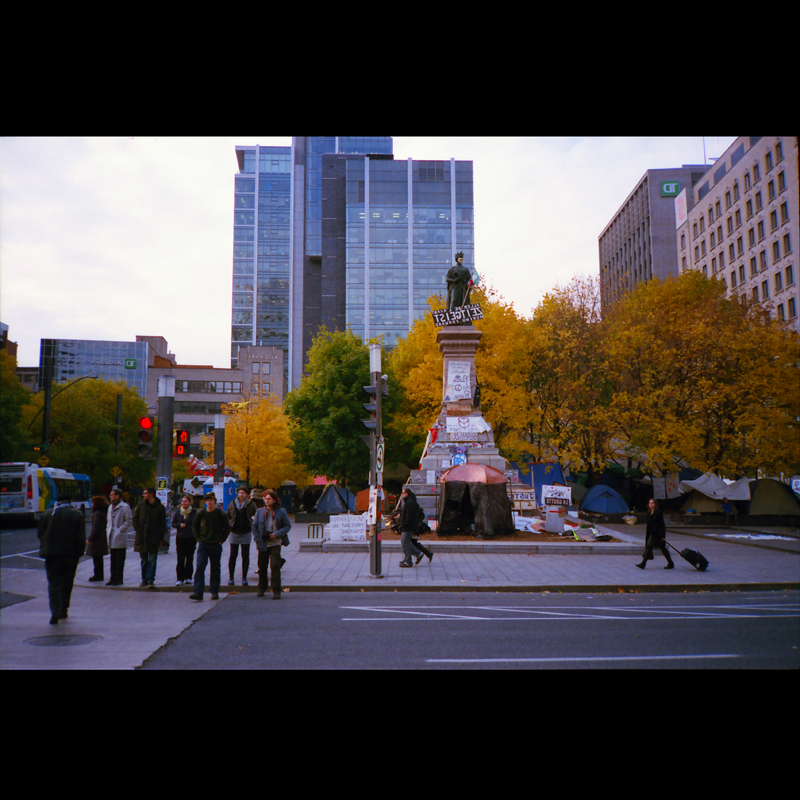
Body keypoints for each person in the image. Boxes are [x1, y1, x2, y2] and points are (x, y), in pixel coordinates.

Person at [38, 494, 86, 624]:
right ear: (70, 501)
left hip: (51, 553)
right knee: (67, 580)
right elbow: (81, 536)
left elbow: (40, 533)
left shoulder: (47, 514)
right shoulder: (76, 514)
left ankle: (55, 610)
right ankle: (64, 607)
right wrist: (80, 552)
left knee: (54, 582)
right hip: (70, 554)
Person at [251, 489, 291, 599]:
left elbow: (287, 526)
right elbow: (254, 526)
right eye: (265, 499)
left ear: (274, 500)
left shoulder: (281, 512)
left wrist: (277, 534)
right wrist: (258, 538)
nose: (267, 501)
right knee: (262, 567)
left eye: (269, 499)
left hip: (275, 543)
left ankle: (276, 589)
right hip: (263, 543)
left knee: (275, 566)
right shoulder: (259, 512)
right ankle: (262, 587)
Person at [190, 493, 231, 601]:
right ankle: (198, 591)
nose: (209, 502)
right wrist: (198, 539)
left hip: (215, 544)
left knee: (215, 568)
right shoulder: (201, 513)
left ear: (215, 501)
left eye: (211, 500)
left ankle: (214, 591)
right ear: (205, 502)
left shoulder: (220, 513)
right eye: (207, 500)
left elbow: (227, 528)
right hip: (203, 543)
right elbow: (195, 526)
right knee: (200, 566)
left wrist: (221, 541)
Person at [132, 487, 167, 588]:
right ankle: (144, 580)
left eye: (145, 493)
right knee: (144, 560)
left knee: (152, 559)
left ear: (151, 494)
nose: (143, 495)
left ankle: (151, 580)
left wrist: (160, 538)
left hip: (153, 537)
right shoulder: (141, 506)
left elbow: (162, 524)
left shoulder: (160, 507)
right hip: (142, 537)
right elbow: (135, 519)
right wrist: (138, 529)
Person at [391, 489, 433, 565]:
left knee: (405, 542)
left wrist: (405, 524)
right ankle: (417, 555)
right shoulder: (411, 502)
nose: (402, 495)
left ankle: (409, 560)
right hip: (411, 526)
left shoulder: (409, 503)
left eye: (403, 493)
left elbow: (410, 516)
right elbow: (415, 514)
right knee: (409, 542)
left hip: (408, 527)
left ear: (406, 494)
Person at [226, 487, 256, 586]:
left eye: (243, 493)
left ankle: (244, 577)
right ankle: (231, 577)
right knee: (233, 555)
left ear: (247, 494)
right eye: (239, 493)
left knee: (245, 555)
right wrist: (230, 525)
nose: (241, 494)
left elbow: (255, 515)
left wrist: (251, 522)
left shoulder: (251, 504)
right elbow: (228, 516)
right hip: (234, 532)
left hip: (246, 532)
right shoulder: (232, 503)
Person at [636, 498, 674, 569]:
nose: (651, 504)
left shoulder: (658, 513)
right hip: (651, 534)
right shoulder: (649, 513)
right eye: (650, 503)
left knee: (649, 546)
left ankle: (643, 563)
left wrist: (663, 535)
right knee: (663, 548)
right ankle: (670, 563)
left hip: (657, 534)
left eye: (652, 503)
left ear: (655, 504)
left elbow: (662, 525)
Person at [106, 487, 133, 585]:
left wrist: (121, 530)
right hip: (111, 535)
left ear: (117, 496)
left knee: (119, 559)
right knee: (113, 558)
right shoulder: (110, 507)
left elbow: (129, 520)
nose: (110, 497)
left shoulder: (124, 507)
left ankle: (119, 578)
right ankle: (113, 578)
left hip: (119, 536)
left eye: (112, 495)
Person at [172, 495, 198, 585]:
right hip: (180, 537)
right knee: (180, 558)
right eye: (182, 501)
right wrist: (179, 525)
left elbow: (197, 524)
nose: (183, 503)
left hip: (191, 537)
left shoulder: (194, 512)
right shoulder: (178, 512)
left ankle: (188, 577)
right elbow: (173, 523)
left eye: (186, 501)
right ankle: (179, 578)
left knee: (189, 558)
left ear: (189, 502)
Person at [87, 495, 109, 582]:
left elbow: (95, 528)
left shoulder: (97, 514)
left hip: (97, 539)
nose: (92, 505)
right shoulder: (104, 512)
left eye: (93, 503)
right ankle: (99, 574)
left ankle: (97, 575)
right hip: (102, 537)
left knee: (96, 558)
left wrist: (90, 539)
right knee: (99, 558)